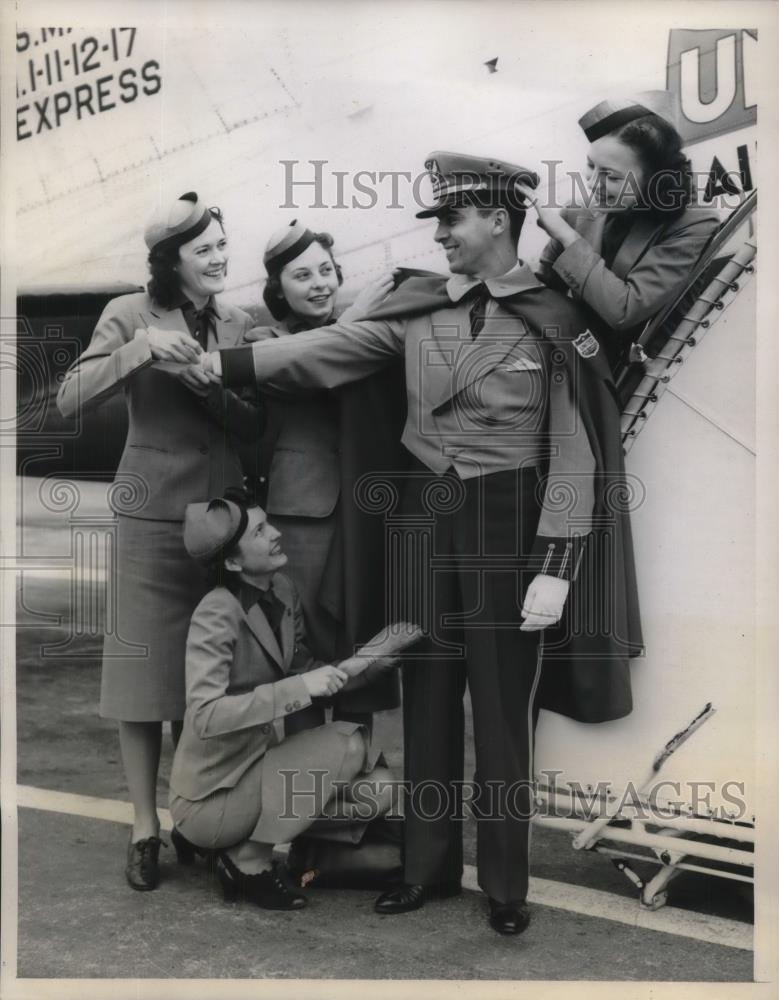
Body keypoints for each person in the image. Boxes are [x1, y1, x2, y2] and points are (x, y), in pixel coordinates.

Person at [192, 151, 642, 936]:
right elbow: (324, 351)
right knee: (425, 699)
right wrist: (224, 361)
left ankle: (505, 884)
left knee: (503, 713)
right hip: (423, 519)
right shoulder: (417, 308)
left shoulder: (551, 316)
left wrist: (557, 568)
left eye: (452, 220)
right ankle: (426, 869)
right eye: (437, 220)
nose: (439, 235)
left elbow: (574, 452)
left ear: (496, 221)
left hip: (508, 523)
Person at [56, 192, 262, 891]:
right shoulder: (128, 315)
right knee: (142, 682)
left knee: (207, 680)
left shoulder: (240, 321)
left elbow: (253, 422)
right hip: (149, 518)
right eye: (204, 250)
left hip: (223, 522)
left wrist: (209, 383)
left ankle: (192, 817)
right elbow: (69, 398)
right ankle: (144, 829)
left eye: (222, 247)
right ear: (170, 261)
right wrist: (143, 351)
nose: (219, 259)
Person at [168, 493, 415, 910]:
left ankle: (237, 846)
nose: (277, 533)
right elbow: (206, 716)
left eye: (269, 524)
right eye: (261, 532)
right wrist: (300, 689)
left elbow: (304, 670)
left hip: (255, 774)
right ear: (232, 563)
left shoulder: (282, 590)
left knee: (377, 791)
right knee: (347, 743)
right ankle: (247, 862)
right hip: (212, 797)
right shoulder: (216, 611)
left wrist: (368, 661)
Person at [246, 223, 402, 732]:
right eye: (302, 274)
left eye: (327, 271)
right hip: (302, 513)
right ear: (277, 289)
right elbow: (303, 372)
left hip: (366, 508)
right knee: (303, 646)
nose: (319, 283)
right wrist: (356, 319)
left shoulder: (364, 328)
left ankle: (357, 780)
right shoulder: (263, 340)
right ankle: (311, 790)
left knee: (362, 642)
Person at [519, 98, 721, 371]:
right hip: (583, 372)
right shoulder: (577, 211)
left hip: (653, 381)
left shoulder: (695, 223)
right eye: (591, 166)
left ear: (655, 181)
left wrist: (569, 240)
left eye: (612, 177)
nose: (592, 184)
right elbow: (540, 293)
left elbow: (625, 311)